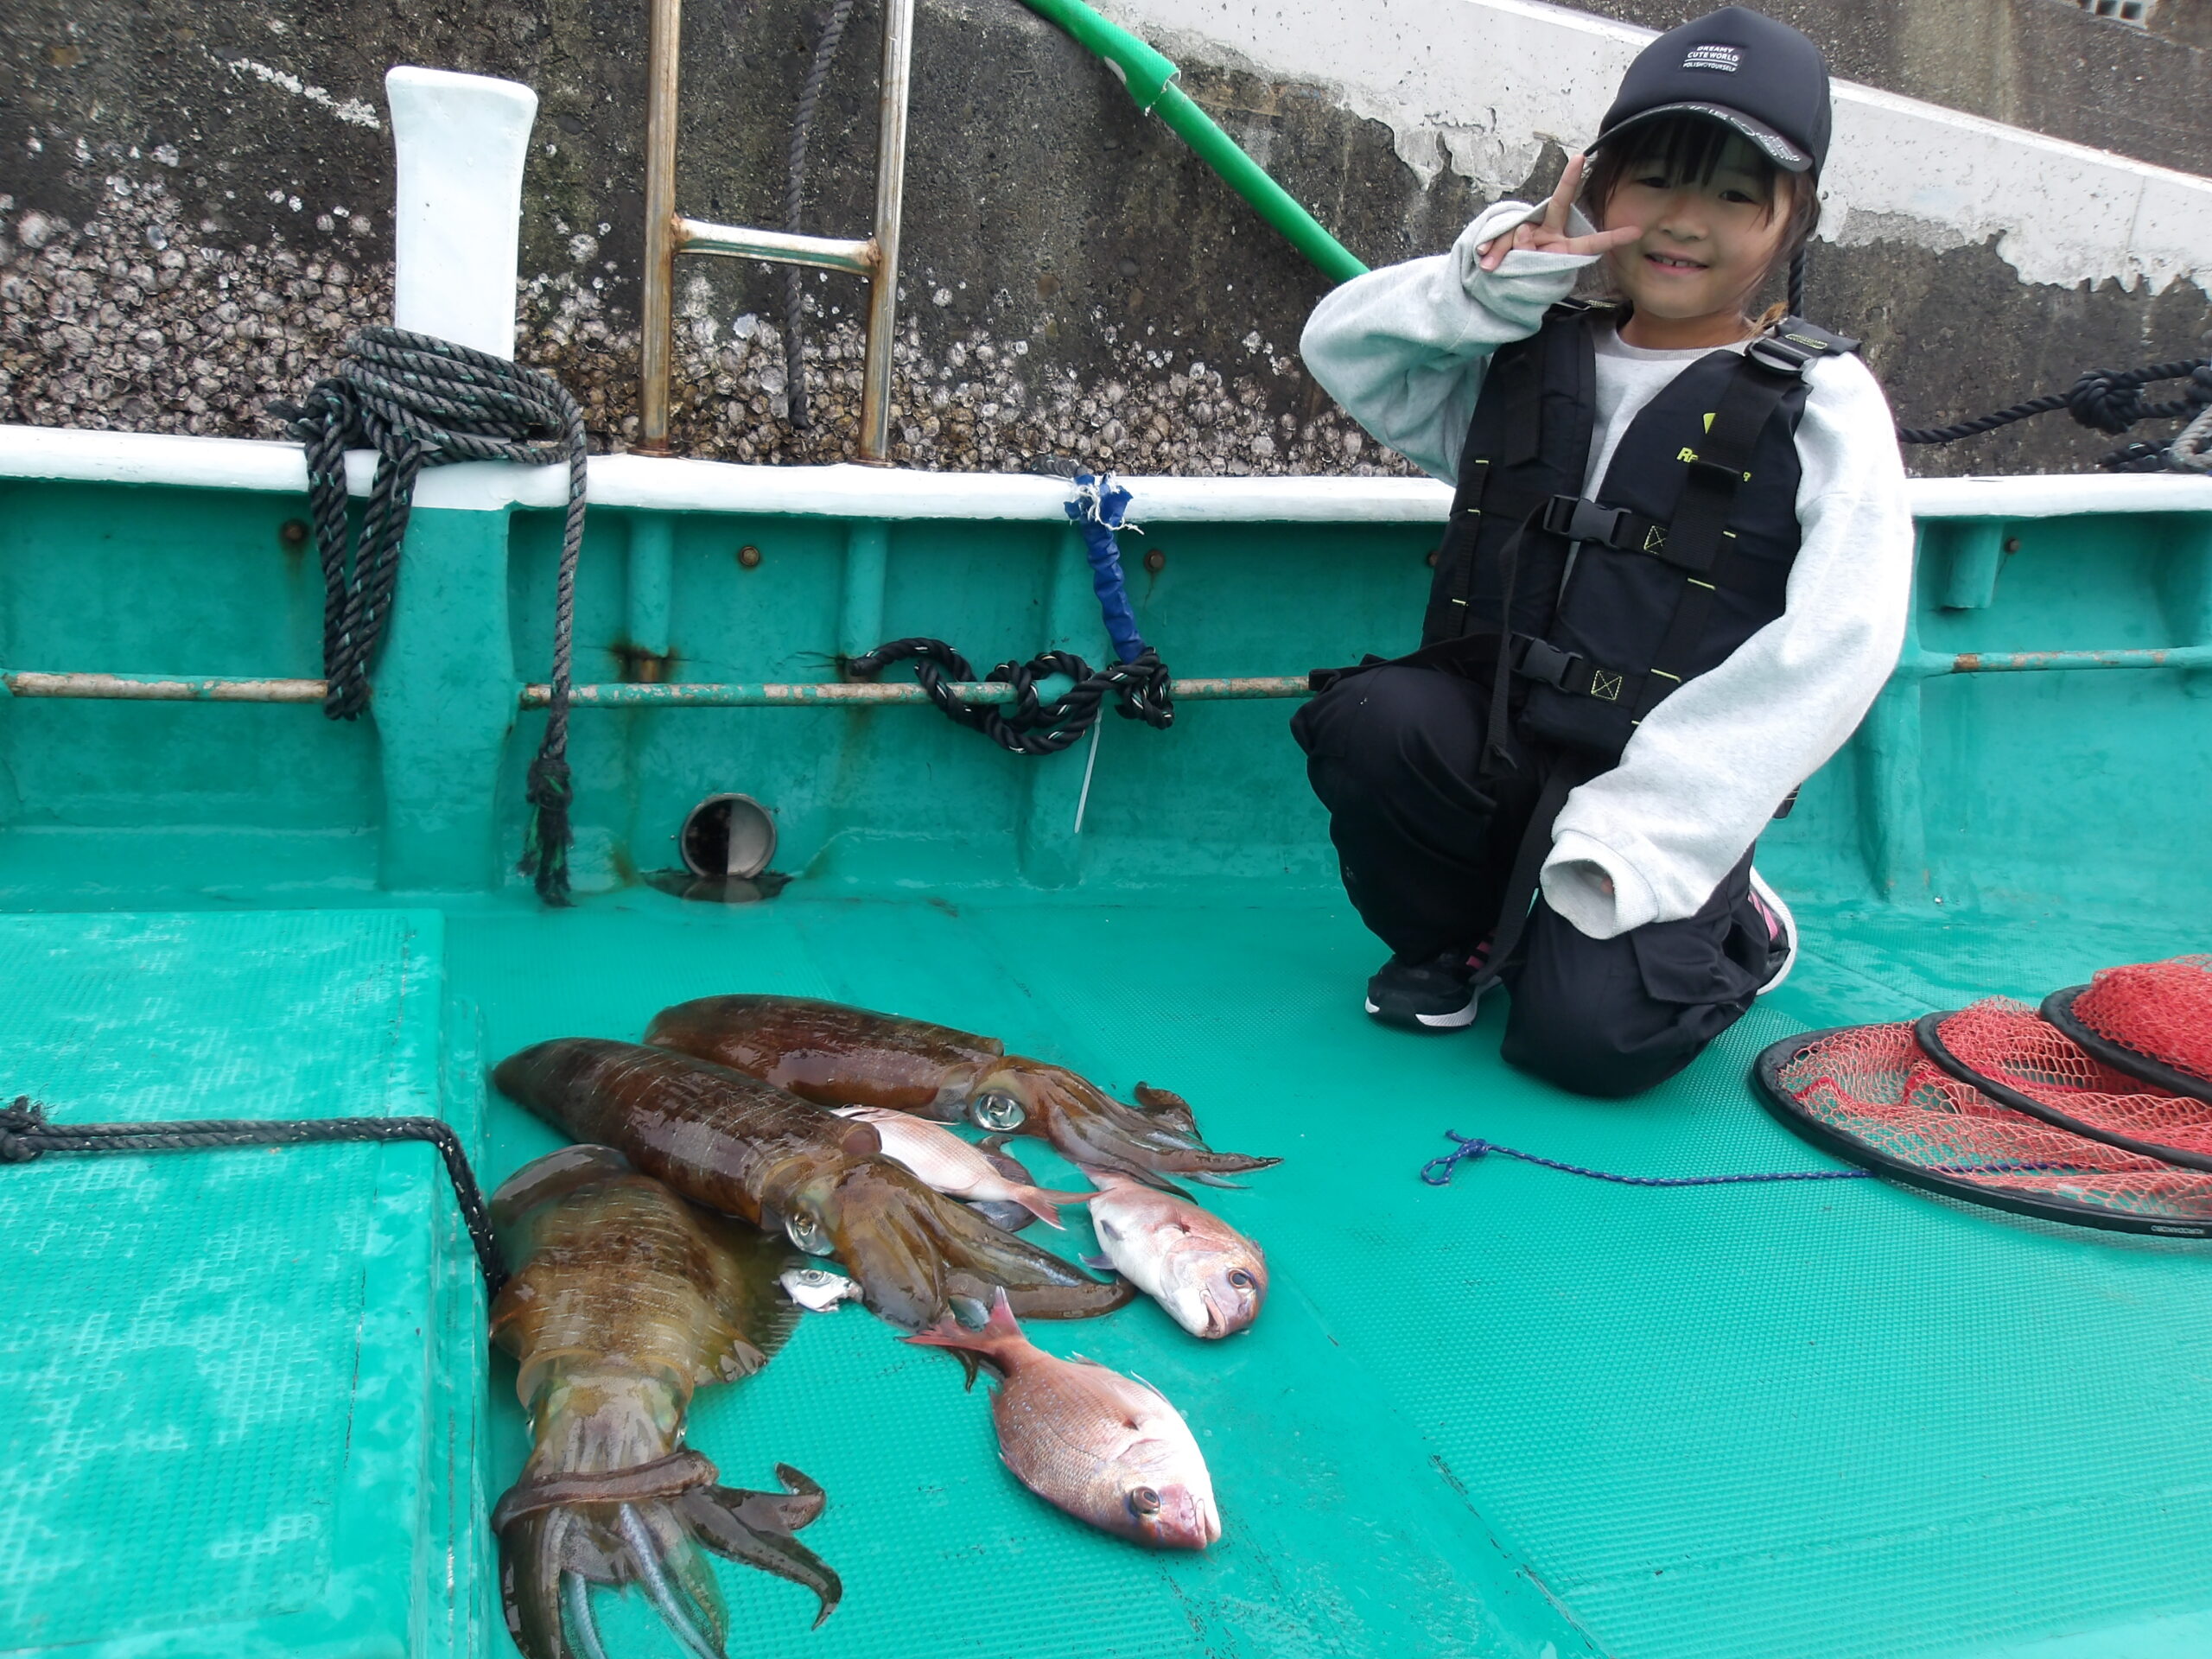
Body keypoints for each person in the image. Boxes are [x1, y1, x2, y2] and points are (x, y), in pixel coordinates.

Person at [1291, 6, 1911, 1097]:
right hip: (1494, 736)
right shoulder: (1524, 349)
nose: (1685, 222)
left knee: (1587, 1045)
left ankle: (1737, 925)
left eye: (1733, 194)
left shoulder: (1825, 402)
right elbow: (1343, 347)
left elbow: (1837, 644)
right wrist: (1490, 275)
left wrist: (1652, 827)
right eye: (1655, 180)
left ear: (1792, 222)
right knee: (1376, 719)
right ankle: (1460, 937)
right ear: (1597, 186)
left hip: (1664, 779)